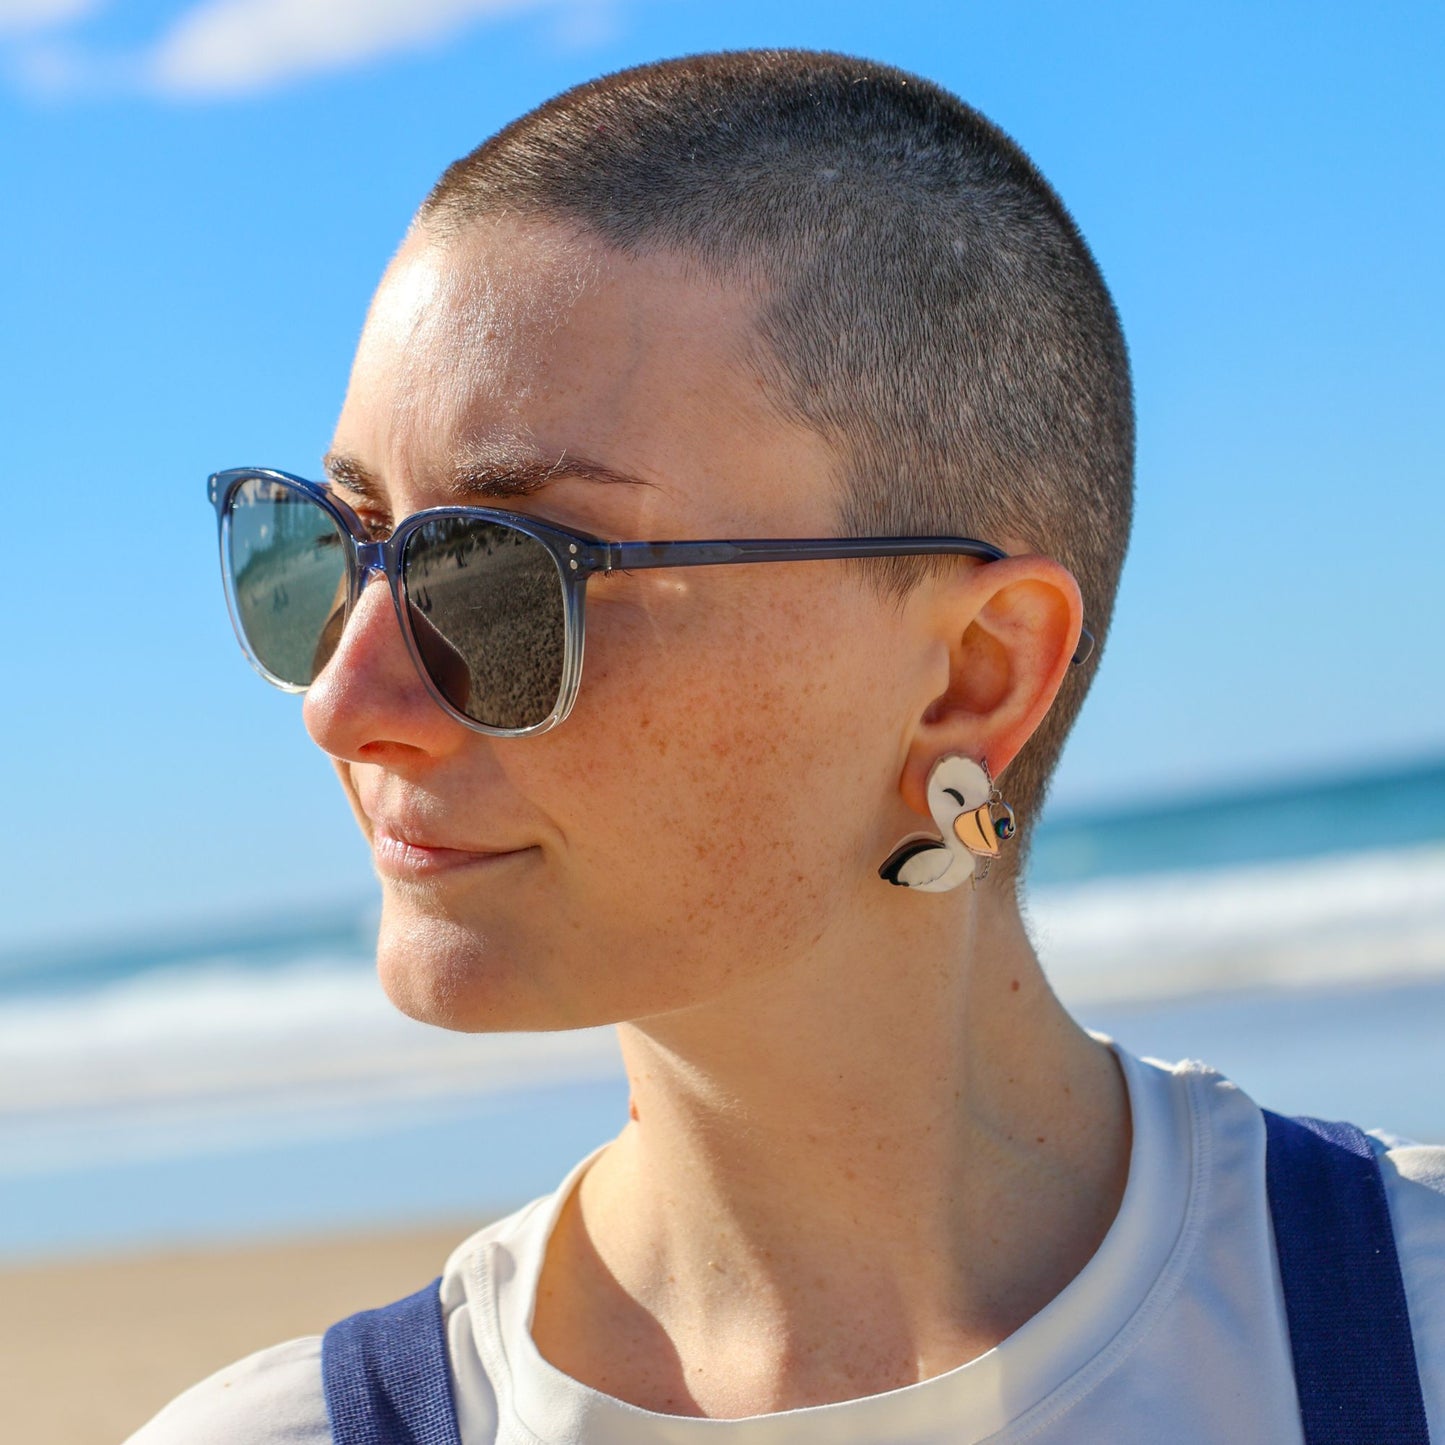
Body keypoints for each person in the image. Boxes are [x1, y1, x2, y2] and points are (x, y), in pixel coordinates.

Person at [132, 50, 1443, 1444]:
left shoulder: (1406, 1332)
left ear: (970, 679)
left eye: (501, 571)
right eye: (332, 546)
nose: (343, 698)